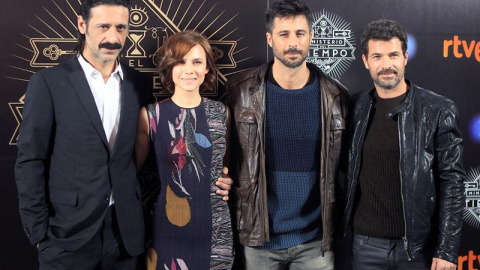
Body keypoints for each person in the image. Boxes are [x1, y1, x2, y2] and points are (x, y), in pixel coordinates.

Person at [15, 0, 154, 268]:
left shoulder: (139, 84)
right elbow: (30, 160)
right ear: (82, 25)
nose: (113, 37)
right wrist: (38, 231)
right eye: (103, 26)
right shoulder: (48, 82)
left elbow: (147, 152)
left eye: (121, 28)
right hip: (66, 234)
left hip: (126, 234)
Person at [223, 0, 349, 269]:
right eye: (284, 34)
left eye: (300, 34)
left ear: (311, 37)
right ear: (269, 39)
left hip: (316, 241)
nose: (293, 43)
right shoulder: (240, 92)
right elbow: (222, 155)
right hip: (260, 240)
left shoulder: (335, 96)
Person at [342, 19, 466, 270]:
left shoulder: (438, 110)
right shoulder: (353, 109)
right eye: (377, 56)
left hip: (417, 249)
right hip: (365, 246)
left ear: (405, 57)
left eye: (393, 55)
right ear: (365, 61)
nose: (386, 65)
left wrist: (446, 249)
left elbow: (452, 182)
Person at [135, 30, 234, 270]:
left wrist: (229, 179)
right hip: (168, 228)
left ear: (207, 68)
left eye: (197, 62)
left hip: (215, 229)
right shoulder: (152, 116)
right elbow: (130, 174)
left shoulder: (221, 113)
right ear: (170, 67)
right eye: (180, 61)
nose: (189, 69)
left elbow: (225, 166)